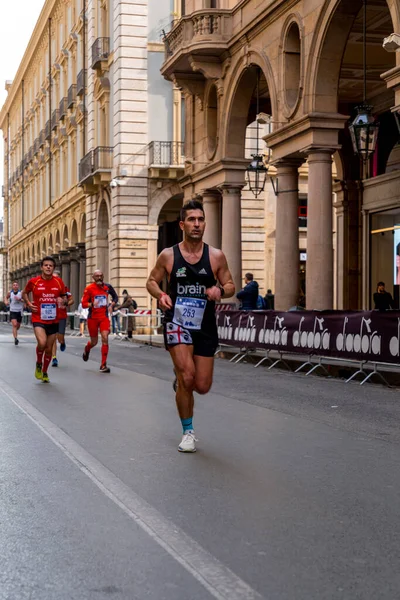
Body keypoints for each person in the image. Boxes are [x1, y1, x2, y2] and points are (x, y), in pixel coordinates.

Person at [146, 199, 235, 453]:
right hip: (177, 322)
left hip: (205, 324)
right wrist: (160, 295)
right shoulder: (169, 255)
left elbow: (231, 285)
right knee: (188, 375)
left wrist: (220, 290)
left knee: (202, 385)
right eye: (192, 220)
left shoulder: (216, 256)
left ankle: (181, 380)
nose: (197, 224)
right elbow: (152, 281)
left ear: (204, 223)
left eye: (201, 220)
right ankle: (188, 431)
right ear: (182, 224)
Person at [22, 256, 67, 383]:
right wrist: (29, 304)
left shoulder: (58, 282)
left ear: (53, 268)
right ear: (41, 267)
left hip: (53, 319)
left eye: (51, 265)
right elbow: (24, 293)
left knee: (48, 348)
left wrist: (62, 300)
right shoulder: (34, 281)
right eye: (46, 265)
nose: (48, 267)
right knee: (42, 343)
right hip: (38, 318)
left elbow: (64, 297)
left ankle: (45, 372)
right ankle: (38, 363)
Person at [81, 270, 118, 373]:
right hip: (92, 317)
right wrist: (92, 304)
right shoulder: (89, 289)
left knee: (105, 338)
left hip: (104, 317)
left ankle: (103, 365)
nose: (99, 278)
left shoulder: (107, 287)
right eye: (97, 276)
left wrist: (111, 305)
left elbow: (115, 297)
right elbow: (84, 304)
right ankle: (87, 349)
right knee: (94, 342)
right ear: (93, 277)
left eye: (101, 275)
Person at [51, 270, 74, 367]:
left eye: (56, 278)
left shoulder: (64, 289)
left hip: (61, 316)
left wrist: (66, 303)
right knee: (53, 338)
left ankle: (63, 341)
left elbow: (72, 300)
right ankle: (54, 358)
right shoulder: (49, 288)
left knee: (59, 337)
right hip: (51, 316)